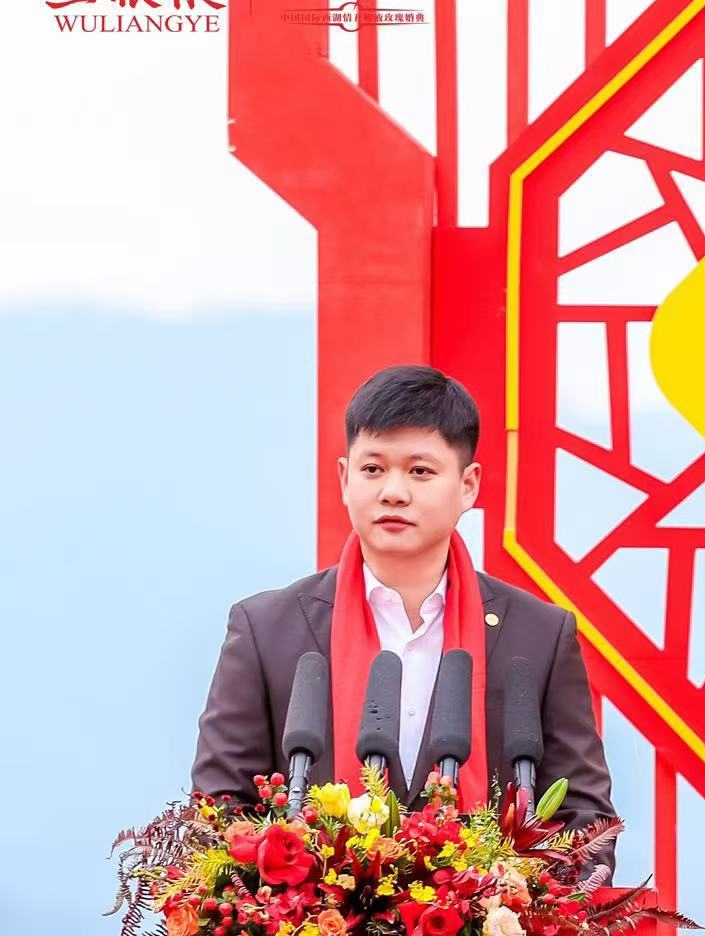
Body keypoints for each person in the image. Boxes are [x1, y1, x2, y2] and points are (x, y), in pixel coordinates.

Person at [192, 364, 616, 875]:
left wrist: (520, 907)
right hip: (315, 925)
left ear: (468, 485)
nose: (393, 492)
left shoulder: (539, 635)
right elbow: (218, 812)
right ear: (344, 479)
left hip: (496, 925)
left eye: (420, 471)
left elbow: (585, 822)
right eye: (373, 469)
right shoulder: (267, 630)